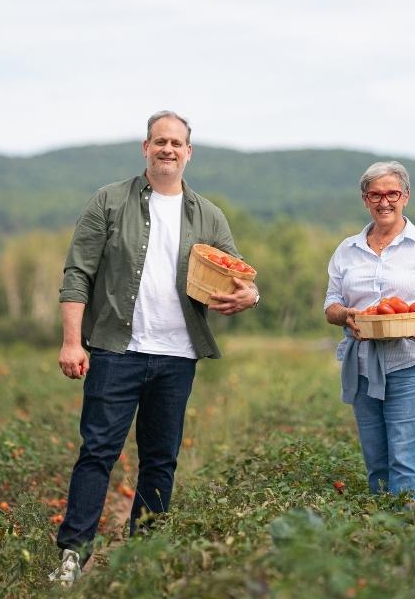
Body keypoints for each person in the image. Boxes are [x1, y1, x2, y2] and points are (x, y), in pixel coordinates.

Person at [48, 111, 260, 587]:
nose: (167, 149)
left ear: (189, 152)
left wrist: (252, 294)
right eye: (159, 141)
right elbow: (77, 272)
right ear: (146, 147)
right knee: (98, 451)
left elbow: (240, 275)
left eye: (176, 143)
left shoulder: (207, 214)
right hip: (115, 350)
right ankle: (72, 555)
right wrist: (70, 341)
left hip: (177, 355)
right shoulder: (109, 201)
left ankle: (143, 557)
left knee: (160, 459)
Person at [324, 161, 415, 498]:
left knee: (406, 465)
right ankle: (383, 544)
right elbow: (331, 305)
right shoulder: (347, 250)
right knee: (378, 466)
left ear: (406, 197)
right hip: (363, 369)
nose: (384, 201)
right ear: (365, 200)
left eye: (392, 193)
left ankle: (407, 545)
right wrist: (345, 314)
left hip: (413, 366)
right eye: (375, 195)